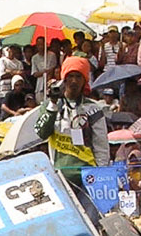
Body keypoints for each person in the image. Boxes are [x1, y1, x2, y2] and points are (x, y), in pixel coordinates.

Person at [34, 56, 109, 184]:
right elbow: (41, 133)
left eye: (78, 77)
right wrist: (53, 103)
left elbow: (101, 145)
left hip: (88, 177)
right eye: (70, 76)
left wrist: (100, 175)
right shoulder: (49, 105)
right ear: (64, 79)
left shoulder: (93, 108)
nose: (74, 81)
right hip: (60, 177)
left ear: (85, 80)